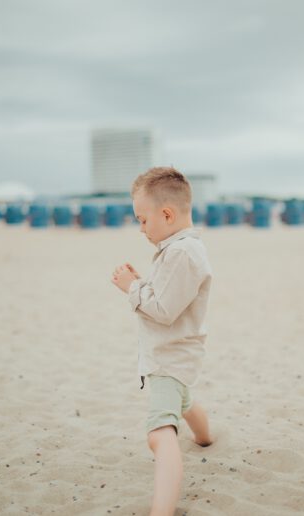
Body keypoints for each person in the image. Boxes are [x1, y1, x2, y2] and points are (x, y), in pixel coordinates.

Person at [111, 166, 213, 516]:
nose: (141, 229)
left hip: (169, 357)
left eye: (142, 220)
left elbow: (164, 309)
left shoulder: (182, 252)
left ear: (166, 214)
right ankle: (205, 437)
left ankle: (162, 511)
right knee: (183, 401)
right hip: (177, 357)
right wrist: (143, 283)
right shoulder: (181, 249)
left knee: (159, 432)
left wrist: (131, 288)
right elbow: (168, 295)